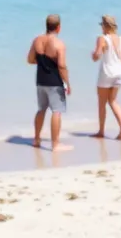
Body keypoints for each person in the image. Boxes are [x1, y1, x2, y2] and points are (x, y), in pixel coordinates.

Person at [27, 14, 72, 151]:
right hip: (54, 81)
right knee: (56, 111)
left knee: (41, 109)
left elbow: (30, 59)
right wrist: (68, 83)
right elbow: (62, 66)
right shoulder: (59, 44)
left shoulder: (37, 40)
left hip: (40, 80)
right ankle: (55, 144)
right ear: (59, 27)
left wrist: (43, 63)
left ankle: (36, 139)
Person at [90, 14, 121, 139]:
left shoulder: (102, 38)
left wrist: (94, 55)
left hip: (107, 72)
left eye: (102, 25)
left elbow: (97, 56)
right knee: (113, 101)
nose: (101, 27)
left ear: (105, 26)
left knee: (102, 103)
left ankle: (101, 131)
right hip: (119, 72)